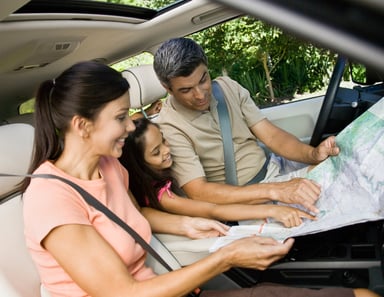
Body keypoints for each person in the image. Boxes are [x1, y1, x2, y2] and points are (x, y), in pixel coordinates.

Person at [22, 60, 378, 297]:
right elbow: (123, 294)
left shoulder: (110, 166)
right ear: (82, 126)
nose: (131, 126)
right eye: (120, 118)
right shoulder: (50, 200)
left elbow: (136, 216)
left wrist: (190, 224)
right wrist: (226, 258)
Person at [154, 37, 340, 214]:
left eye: (203, 80)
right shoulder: (168, 127)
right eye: (186, 90)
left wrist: (312, 154)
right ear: (167, 88)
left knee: (342, 168)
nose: (200, 95)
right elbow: (199, 191)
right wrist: (276, 190)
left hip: (275, 170)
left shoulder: (227, 87)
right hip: (245, 199)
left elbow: (271, 136)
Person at [120, 117, 316, 228]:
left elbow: (137, 119)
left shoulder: (146, 145)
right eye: (156, 152)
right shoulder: (163, 198)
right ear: (139, 164)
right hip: (225, 220)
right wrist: (274, 210)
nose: (166, 150)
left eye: (164, 140)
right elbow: (213, 210)